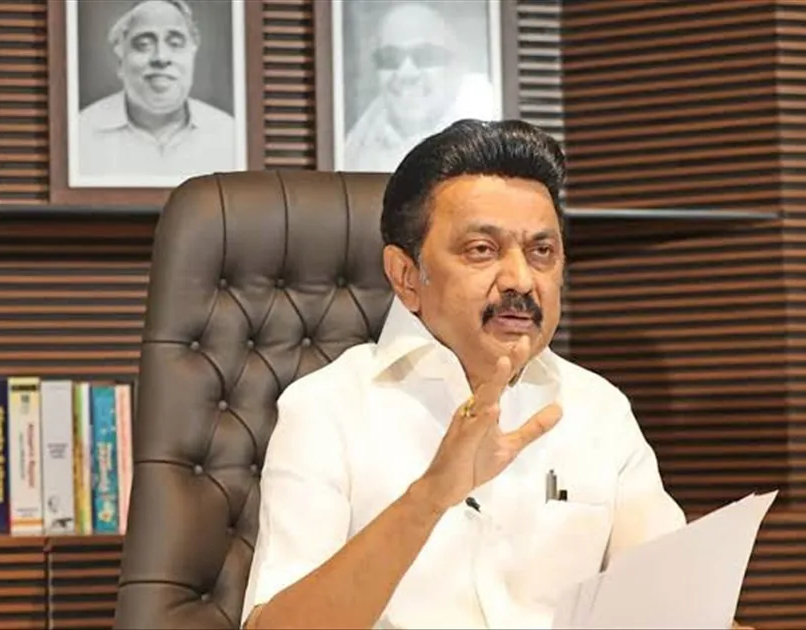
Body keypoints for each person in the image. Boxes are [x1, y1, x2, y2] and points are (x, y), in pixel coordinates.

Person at [241, 119, 752, 629]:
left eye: (541, 252)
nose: (520, 280)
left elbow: (673, 610)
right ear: (406, 276)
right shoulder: (327, 408)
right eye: (481, 250)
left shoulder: (597, 410)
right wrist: (430, 497)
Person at [76, 0, 236, 180]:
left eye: (175, 43)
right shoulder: (79, 135)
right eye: (143, 44)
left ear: (192, 54)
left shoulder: (231, 135)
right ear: (120, 60)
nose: (161, 57)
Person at [344, 2, 497, 173]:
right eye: (390, 58)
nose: (406, 73)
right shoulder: (353, 145)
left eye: (425, 56)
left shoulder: (485, 145)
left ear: (458, 66)